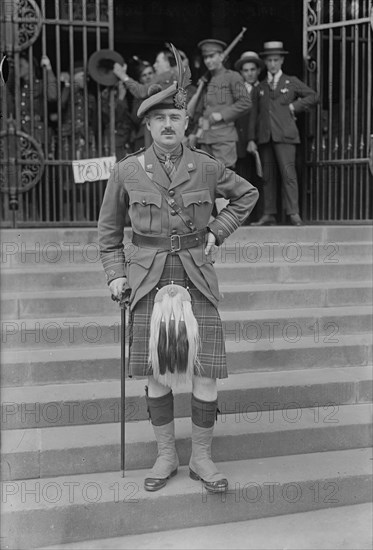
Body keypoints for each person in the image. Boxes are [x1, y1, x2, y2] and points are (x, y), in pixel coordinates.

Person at [98, 46, 259, 494]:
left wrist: (218, 231)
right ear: (148, 125)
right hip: (147, 276)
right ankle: (166, 454)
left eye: (175, 117)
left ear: (186, 123)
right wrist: (115, 274)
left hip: (196, 275)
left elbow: (247, 195)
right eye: (159, 119)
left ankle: (202, 458)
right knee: (155, 371)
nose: (168, 126)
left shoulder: (206, 167)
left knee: (205, 371)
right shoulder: (128, 172)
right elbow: (109, 234)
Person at [247, 41, 319, 226]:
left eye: (275, 60)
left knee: (289, 175)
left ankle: (293, 212)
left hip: (286, 136)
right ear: (265, 61)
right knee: (268, 177)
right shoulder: (260, 87)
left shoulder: (291, 81)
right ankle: (269, 213)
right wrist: (251, 139)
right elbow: (253, 115)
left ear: (282, 60)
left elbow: (313, 96)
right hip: (265, 137)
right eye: (269, 60)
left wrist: (294, 107)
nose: (272, 63)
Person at [187, 39, 252, 171]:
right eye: (206, 57)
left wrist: (222, 115)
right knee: (207, 181)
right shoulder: (207, 81)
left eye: (212, 56)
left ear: (222, 56)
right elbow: (202, 109)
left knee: (224, 181)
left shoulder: (233, 77)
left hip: (224, 138)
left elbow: (245, 103)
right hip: (205, 137)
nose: (208, 61)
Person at [234, 51, 265, 222]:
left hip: (261, 142)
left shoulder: (264, 89)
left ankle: (260, 216)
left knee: (260, 179)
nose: (250, 73)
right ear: (241, 73)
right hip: (241, 143)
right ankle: (244, 217)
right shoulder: (237, 92)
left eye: (253, 69)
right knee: (243, 180)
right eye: (246, 70)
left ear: (258, 70)